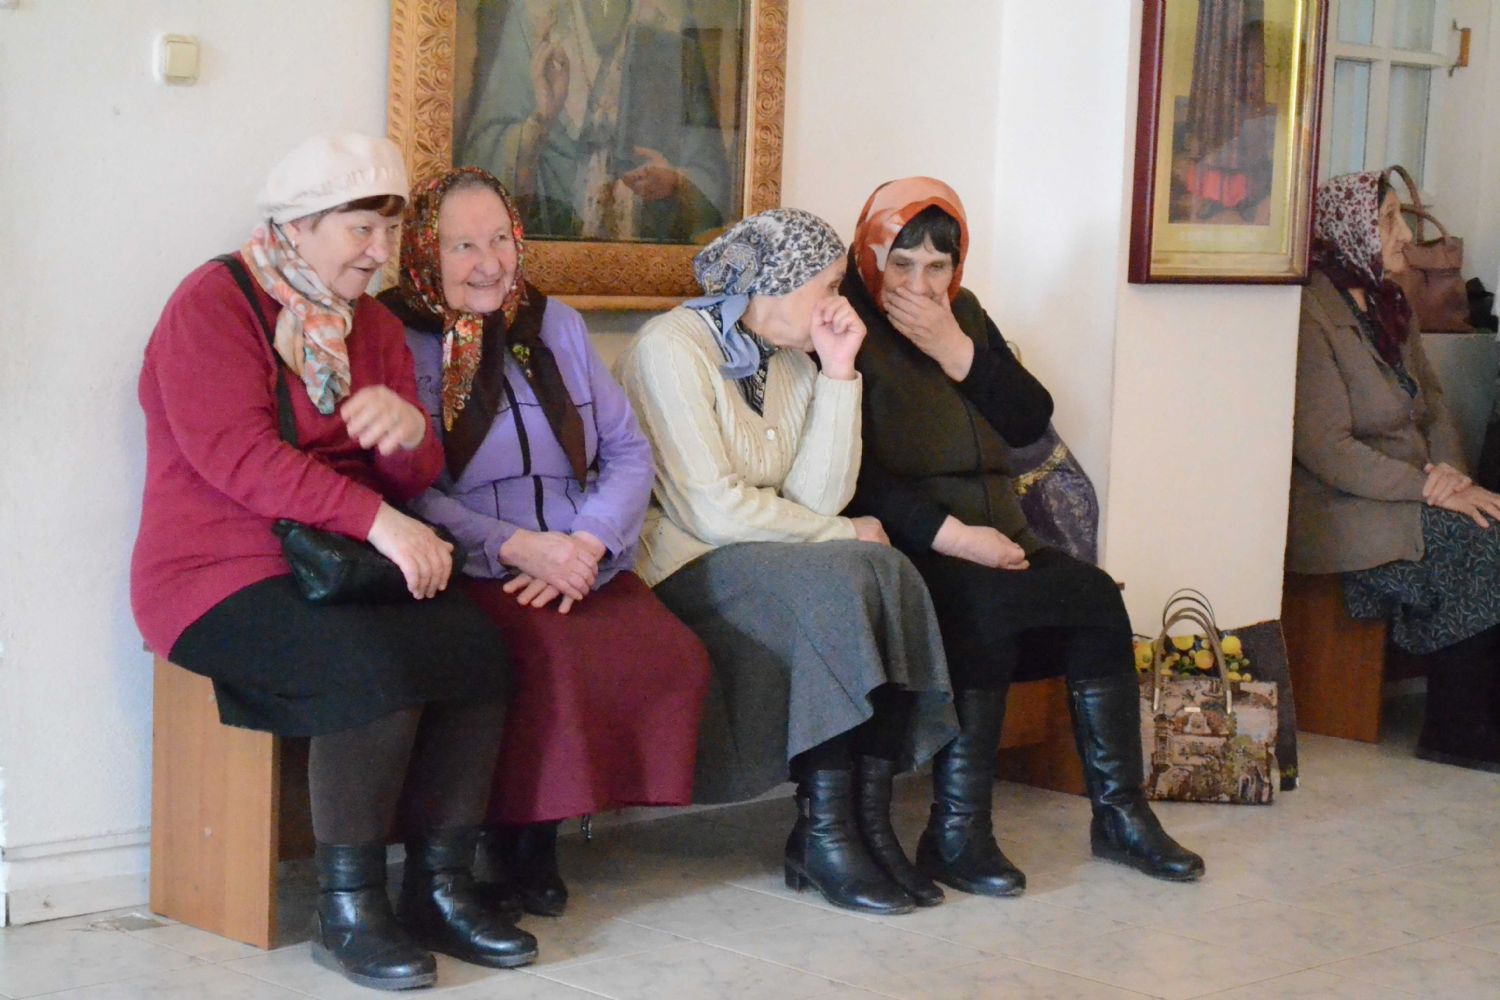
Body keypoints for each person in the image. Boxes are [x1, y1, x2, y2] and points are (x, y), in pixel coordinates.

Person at [130, 134, 537, 990]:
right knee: (368, 667)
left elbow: (413, 475)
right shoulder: (212, 305)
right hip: (215, 574)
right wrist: (379, 522)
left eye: (388, 231)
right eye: (361, 230)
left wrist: (410, 434)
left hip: (340, 564)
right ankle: (347, 908)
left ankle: (440, 886)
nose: (380, 252)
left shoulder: (373, 325)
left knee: (477, 649)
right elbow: (237, 456)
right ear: (300, 225)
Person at [840, 178, 1204, 895]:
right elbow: (851, 475)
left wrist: (959, 352)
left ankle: (1121, 816)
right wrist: (953, 536)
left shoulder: (965, 314)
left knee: (1094, 596)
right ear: (870, 254)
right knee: (990, 605)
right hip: (917, 540)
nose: (920, 285)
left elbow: (1030, 418)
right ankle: (956, 832)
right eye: (901, 263)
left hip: (1003, 533)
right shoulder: (848, 324)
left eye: (938, 266)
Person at [378, 167, 712, 918]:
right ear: (425, 251)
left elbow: (627, 452)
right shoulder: (394, 335)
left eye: (500, 239)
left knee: (672, 655)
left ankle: (546, 828)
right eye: (463, 246)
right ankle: (515, 840)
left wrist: (587, 544)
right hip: (480, 560)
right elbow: (410, 490)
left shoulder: (553, 322)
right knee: (550, 655)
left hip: (579, 553)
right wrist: (517, 548)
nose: (489, 263)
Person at [616, 208, 958, 915]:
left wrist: (838, 372)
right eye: (828, 285)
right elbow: (710, 511)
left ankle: (865, 822)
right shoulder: (669, 348)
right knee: (838, 575)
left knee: (889, 570)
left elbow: (819, 497)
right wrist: (840, 534)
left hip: (773, 556)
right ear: (775, 282)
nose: (839, 302)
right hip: (686, 562)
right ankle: (824, 832)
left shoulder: (793, 359)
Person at [1288, 169, 1500, 772]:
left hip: (1412, 491)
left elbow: (1434, 408)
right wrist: (1431, 491)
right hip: (1340, 507)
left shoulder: (1388, 302)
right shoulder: (1310, 313)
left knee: (1487, 518)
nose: (1404, 234)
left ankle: (1486, 710)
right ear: (1347, 229)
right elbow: (1328, 450)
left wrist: (1453, 477)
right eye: (1387, 220)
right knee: (1471, 540)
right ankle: (1455, 728)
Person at [459, 0, 729, 242]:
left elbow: (711, 175)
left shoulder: (671, 17)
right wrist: (540, 122)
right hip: (551, 245)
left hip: (647, 249)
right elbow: (485, 155)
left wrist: (676, 182)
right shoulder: (531, 14)